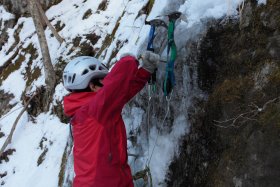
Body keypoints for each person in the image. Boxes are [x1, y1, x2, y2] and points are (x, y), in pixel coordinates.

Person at [63, 51, 160, 187]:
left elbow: (122, 92)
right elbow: (115, 84)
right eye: (103, 80)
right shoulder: (93, 111)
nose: (106, 83)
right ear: (92, 86)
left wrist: (145, 71)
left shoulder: (89, 111)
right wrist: (129, 60)